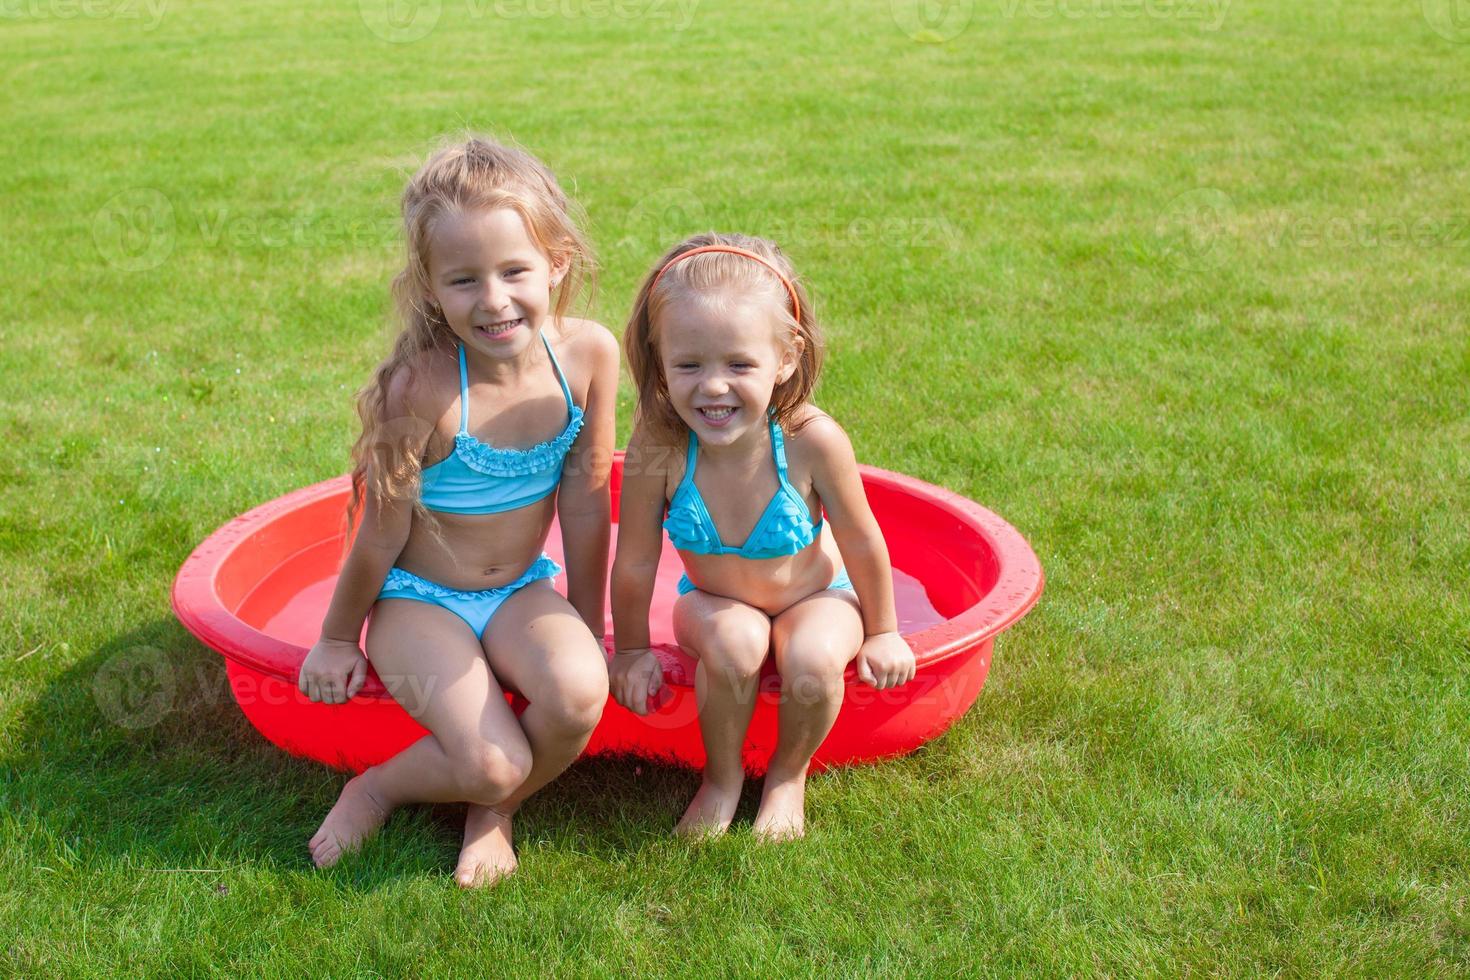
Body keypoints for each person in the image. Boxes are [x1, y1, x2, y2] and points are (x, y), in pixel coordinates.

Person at [297, 137, 618, 887]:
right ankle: (378, 786)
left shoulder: (590, 357)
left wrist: (589, 622)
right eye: (464, 280)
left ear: (558, 263)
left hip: (519, 591)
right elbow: (380, 533)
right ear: (431, 289)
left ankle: (492, 813)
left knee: (578, 695)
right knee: (495, 756)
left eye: (515, 271)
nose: (495, 299)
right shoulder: (424, 390)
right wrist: (338, 639)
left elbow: (587, 498)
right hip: (421, 602)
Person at [610, 233, 915, 841]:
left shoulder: (811, 440)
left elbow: (861, 540)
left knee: (810, 659)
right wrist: (631, 651)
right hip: (716, 602)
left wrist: (883, 631)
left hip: (818, 595)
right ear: (659, 357)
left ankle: (786, 777)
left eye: (739, 365)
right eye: (689, 364)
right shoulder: (659, 445)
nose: (713, 387)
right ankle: (721, 780)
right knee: (734, 643)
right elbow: (638, 560)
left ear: (786, 358)